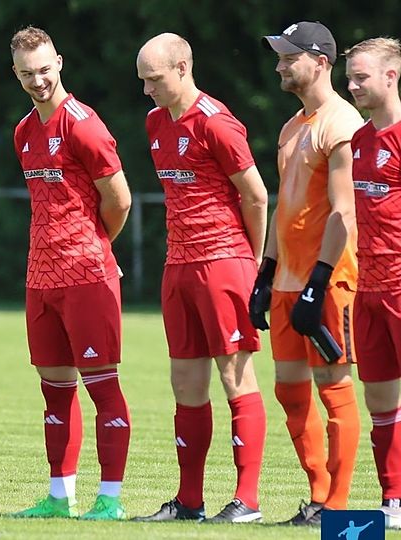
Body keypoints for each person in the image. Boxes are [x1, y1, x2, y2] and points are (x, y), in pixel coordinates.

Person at [134, 33, 269, 523]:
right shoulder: (154, 122)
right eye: (143, 81)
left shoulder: (216, 121)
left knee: (235, 377)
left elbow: (255, 196)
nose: (147, 90)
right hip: (179, 265)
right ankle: (189, 501)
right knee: (185, 383)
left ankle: (247, 501)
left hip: (223, 262)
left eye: (155, 79)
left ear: (183, 67)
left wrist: (251, 263)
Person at [7, 26, 132, 521]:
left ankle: (111, 499)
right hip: (40, 276)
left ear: (58, 62)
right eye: (26, 73)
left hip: (86, 275)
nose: (38, 80)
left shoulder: (83, 125)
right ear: (14, 73)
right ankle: (59, 497)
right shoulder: (23, 132)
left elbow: (118, 198)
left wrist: (96, 246)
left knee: (102, 386)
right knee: (53, 389)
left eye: (44, 69)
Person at [255, 21, 364, 525]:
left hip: (328, 280)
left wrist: (319, 281)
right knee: (289, 389)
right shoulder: (291, 125)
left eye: (288, 57)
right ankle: (318, 498)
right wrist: (265, 274)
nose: (279, 65)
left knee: (333, 388)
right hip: (286, 282)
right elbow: (285, 206)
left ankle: (338, 512)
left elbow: (343, 212)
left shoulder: (342, 124)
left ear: (320, 62)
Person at [344, 36, 401, 529]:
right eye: (350, 77)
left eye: (361, 77)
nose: (353, 85)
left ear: (391, 76)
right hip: (368, 289)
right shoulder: (360, 141)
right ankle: (392, 501)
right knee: (380, 399)